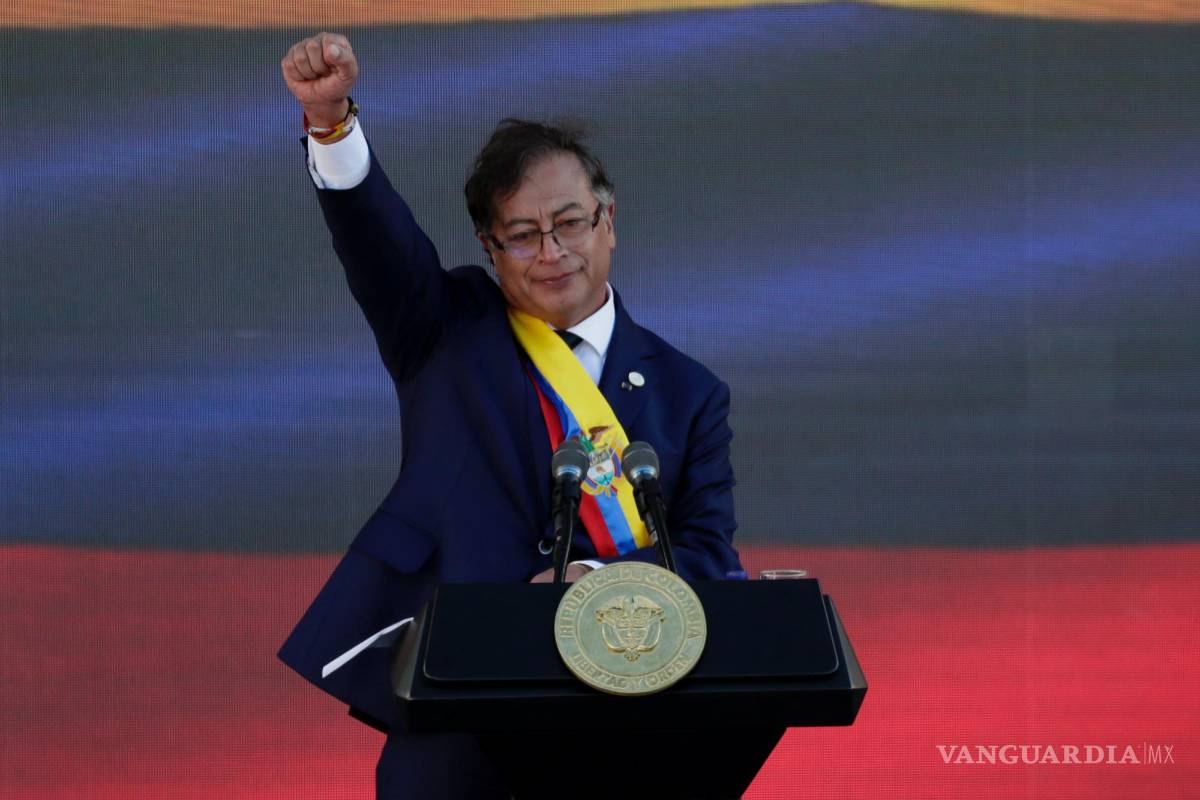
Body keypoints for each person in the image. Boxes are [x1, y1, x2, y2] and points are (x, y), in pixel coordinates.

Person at [277, 32, 743, 799]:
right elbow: (376, 240)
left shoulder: (689, 391)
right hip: (454, 688)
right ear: (490, 248)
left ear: (608, 219)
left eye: (569, 223)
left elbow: (706, 553)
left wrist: (594, 578)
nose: (552, 251)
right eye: (523, 235)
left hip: (621, 707)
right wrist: (330, 123)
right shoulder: (444, 328)